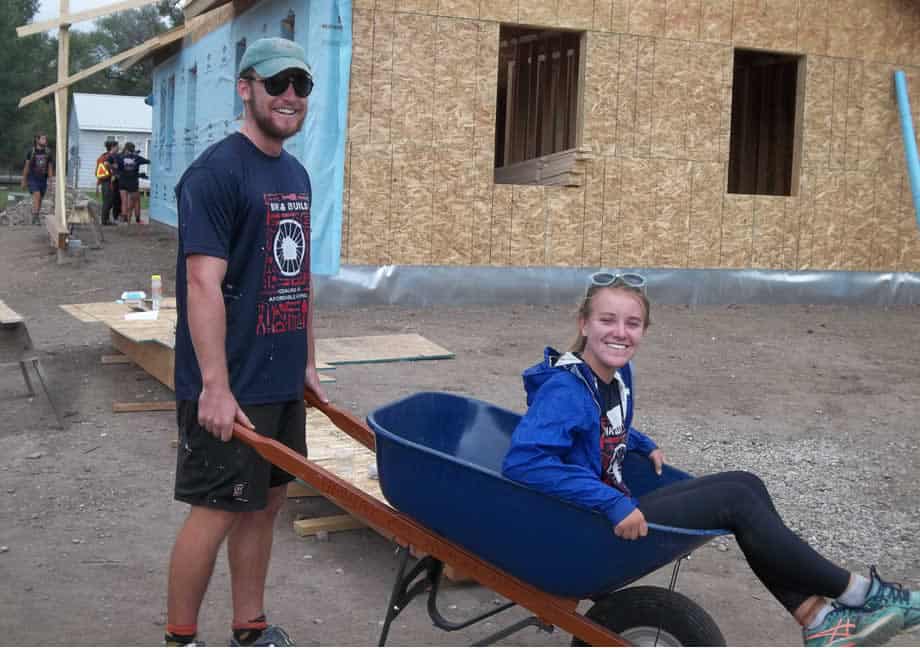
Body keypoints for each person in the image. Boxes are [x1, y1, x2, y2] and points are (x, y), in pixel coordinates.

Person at [502, 271, 919, 647]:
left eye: (632, 323)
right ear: (584, 324)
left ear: (644, 330)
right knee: (735, 500)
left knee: (746, 484)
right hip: (583, 522)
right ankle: (863, 595)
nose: (620, 333)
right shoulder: (565, 389)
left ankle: (819, 617)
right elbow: (524, 462)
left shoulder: (614, 375)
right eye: (607, 320)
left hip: (599, 507)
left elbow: (596, 420)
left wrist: (640, 441)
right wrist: (612, 503)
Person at [165, 37, 322, 648]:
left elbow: (297, 275)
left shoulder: (296, 173)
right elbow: (201, 281)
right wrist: (214, 386)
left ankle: (249, 629)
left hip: (278, 378)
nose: (289, 96)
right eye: (277, 83)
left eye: (301, 86)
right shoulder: (215, 173)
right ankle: (180, 639)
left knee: (264, 505)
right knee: (218, 507)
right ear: (245, 87)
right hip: (227, 383)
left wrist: (307, 359)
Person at [111, 142, 148, 224]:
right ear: (133, 149)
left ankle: (125, 219)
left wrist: (116, 173)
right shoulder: (137, 158)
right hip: (133, 183)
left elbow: (114, 165)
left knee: (124, 201)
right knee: (135, 201)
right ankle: (135, 219)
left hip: (122, 182)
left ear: (126, 148)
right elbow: (148, 161)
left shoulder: (120, 157)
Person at [21, 134, 54, 225]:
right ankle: (35, 216)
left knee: (40, 199)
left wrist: (51, 182)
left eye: (45, 139)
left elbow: (50, 167)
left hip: (43, 179)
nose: (45, 140)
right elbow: (26, 167)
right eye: (43, 138)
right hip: (33, 178)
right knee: (37, 195)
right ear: (37, 140)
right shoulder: (31, 152)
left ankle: (36, 216)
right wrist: (24, 180)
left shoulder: (48, 152)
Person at [95, 140, 119, 225]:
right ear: (112, 147)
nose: (118, 148)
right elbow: (106, 165)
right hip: (107, 181)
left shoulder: (103, 156)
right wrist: (113, 167)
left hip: (104, 181)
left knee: (108, 201)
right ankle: (104, 220)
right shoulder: (108, 157)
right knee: (108, 201)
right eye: (117, 146)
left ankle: (106, 219)